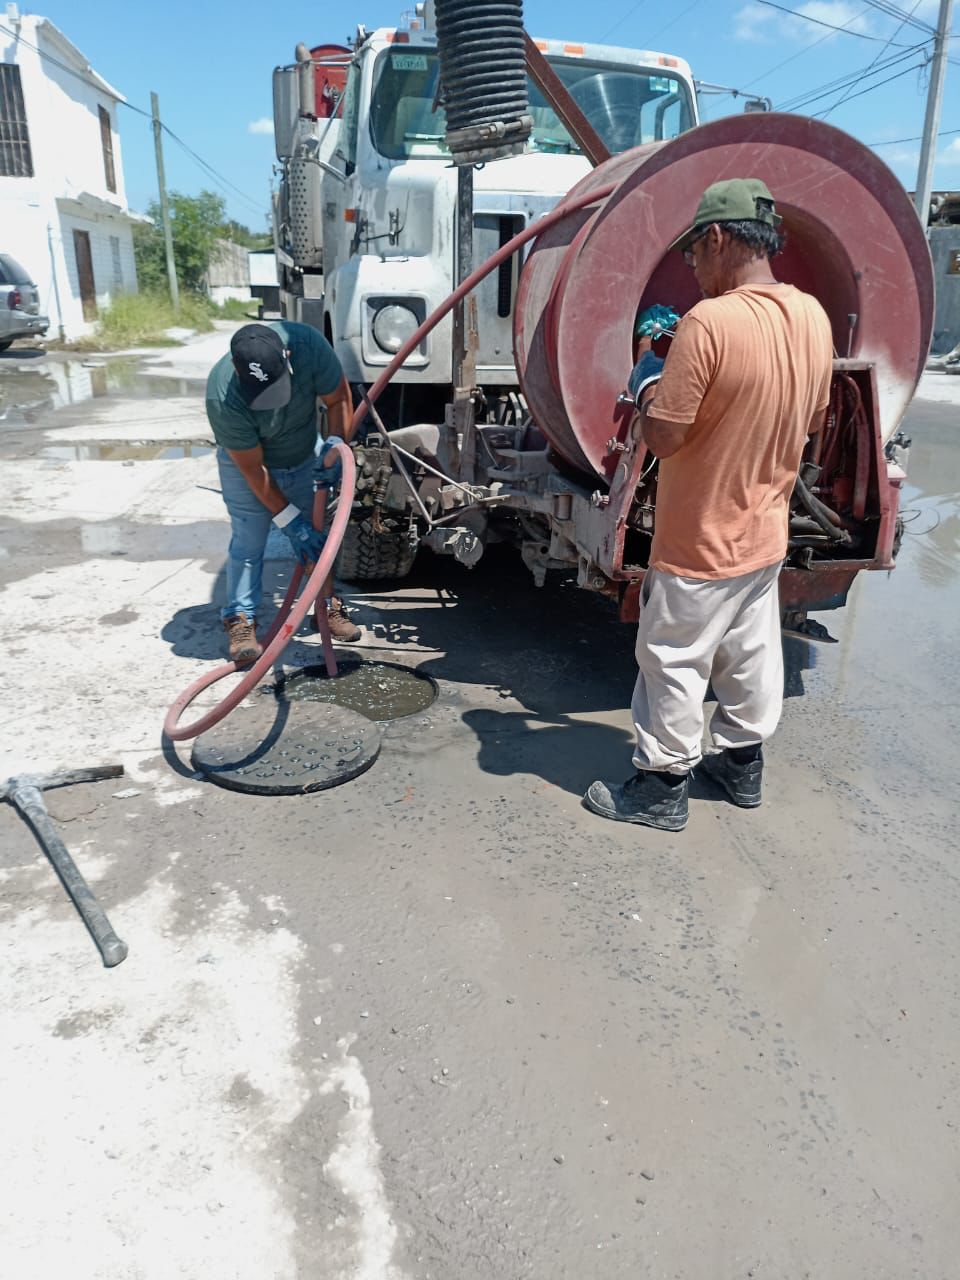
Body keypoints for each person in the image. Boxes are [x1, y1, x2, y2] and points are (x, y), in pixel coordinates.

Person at [584, 178, 833, 832]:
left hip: (699, 540)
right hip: (764, 534)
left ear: (720, 238)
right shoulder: (812, 316)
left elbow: (666, 435)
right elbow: (812, 419)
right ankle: (741, 765)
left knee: (672, 658)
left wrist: (644, 392)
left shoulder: (709, 322)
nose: (692, 266)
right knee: (749, 652)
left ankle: (662, 785)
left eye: (695, 250)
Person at [205, 321, 362, 663]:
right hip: (248, 463)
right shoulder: (222, 395)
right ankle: (240, 618)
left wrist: (335, 447)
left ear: (288, 357)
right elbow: (253, 470)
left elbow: (339, 400)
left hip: (304, 452)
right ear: (236, 368)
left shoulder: (309, 346)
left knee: (317, 536)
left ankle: (326, 607)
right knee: (249, 538)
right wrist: (291, 521)